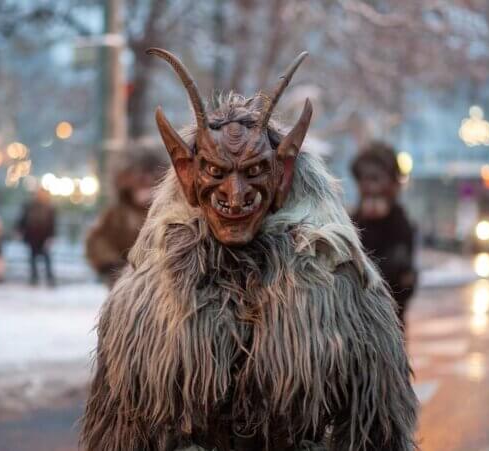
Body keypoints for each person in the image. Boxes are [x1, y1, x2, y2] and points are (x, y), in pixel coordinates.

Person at [81, 49, 417, 451]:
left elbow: (377, 428)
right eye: (217, 173)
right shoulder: (140, 303)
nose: (235, 195)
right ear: (188, 173)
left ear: (282, 173)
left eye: (254, 172)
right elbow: (119, 432)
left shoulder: (343, 288)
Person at [350, 141, 418, 329]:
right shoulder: (350, 224)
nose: (369, 185)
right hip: (352, 328)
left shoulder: (401, 225)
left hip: (388, 327)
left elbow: (405, 285)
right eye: (364, 178)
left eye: (376, 178)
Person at [85, 140, 167, 287]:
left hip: (163, 283)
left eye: (151, 174)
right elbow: (98, 240)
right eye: (140, 175)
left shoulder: (170, 211)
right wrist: (113, 266)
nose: (146, 180)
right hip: (127, 286)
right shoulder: (119, 213)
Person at [18, 187, 56, 286]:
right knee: (32, 258)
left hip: (44, 236)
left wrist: (51, 237)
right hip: (32, 235)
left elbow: (52, 223)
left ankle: (49, 278)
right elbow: (23, 219)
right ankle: (34, 278)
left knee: (47, 257)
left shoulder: (49, 207)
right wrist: (20, 230)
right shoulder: (30, 205)